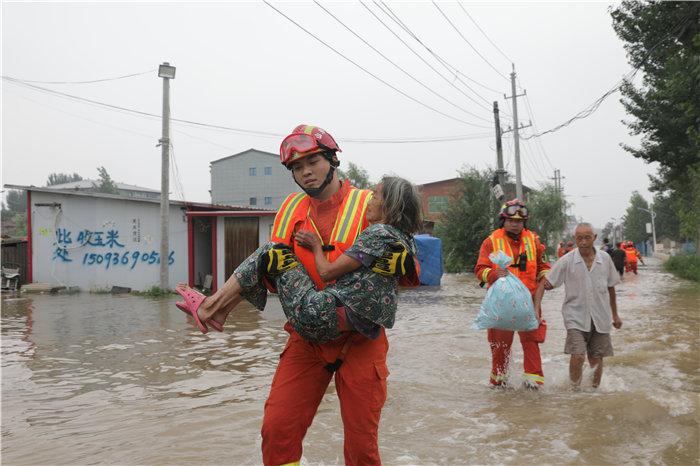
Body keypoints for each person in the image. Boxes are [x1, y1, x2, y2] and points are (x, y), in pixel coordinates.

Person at [175, 125, 419, 466]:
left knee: (362, 448)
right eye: (296, 167)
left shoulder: (372, 204)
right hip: (307, 339)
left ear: (332, 160)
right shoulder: (290, 210)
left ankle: (213, 308)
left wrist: (402, 267)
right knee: (277, 432)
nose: (305, 171)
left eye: (313, 161)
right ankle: (215, 309)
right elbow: (276, 283)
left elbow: (408, 275)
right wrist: (277, 275)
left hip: (361, 342)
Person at [533, 223, 622, 389]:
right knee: (578, 354)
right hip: (575, 317)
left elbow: (611, 287)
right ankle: (574, 391)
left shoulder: (605, 259)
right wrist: (536, 309)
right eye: (579, 238)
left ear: (594, 238)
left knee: (596, 357)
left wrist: (615, 315)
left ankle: (594, 391)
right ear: (574, 239)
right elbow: (545, 283)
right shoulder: (567, 261)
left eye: (587, 238)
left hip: (601, 317)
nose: (583, 242)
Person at [474, 199, 551, 389]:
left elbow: (543, 266)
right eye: (511, 220)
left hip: (530, 302)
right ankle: (499, 384)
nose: (515, 224)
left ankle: (533, 385)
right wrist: (492, 274)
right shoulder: (491, 240)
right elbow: (479, 269)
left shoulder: (534, 240)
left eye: (519, 221)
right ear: (503, 220)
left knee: (532, 344)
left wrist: (547, 278)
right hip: (502, 305)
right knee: (499, 348)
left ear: (524, 222)